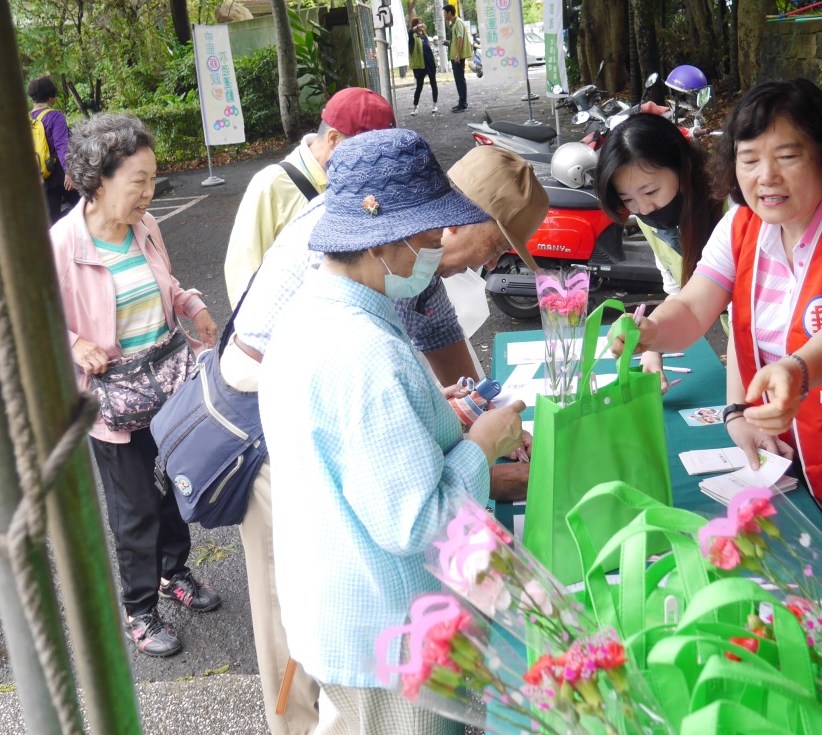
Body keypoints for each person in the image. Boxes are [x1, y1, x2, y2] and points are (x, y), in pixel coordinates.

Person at [221, 142, 548, 735]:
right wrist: (483, 444)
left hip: (341, 611)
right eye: (426, 241)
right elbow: (418, 521)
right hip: (387, 635)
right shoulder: (366, 351)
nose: (435, 252)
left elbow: (353, 445)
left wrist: (435, 412)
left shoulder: (312, 313)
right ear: (383, 243)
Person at [613, 79, 822, 558]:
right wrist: (651, 331)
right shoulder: (742, 220)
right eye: (750, 159)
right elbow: (694, 305)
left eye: (788, 156)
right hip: (793, 456)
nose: (766, 176)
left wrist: (795, 371)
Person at [52, 113, 221, 657]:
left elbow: (164, 282)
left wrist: (190, 304)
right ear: (98, 182)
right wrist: (76, 344)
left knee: (172, 485)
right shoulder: (61, 246)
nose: (150, 192)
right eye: (139, 181)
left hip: (169, 384)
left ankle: (175, 573)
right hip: (113, 402)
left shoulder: (145, 226)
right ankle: (140, 610)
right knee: (135, 509)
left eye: (153, 179)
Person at [223, 87, 395, 307]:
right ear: (334, 138)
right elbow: (243, 277)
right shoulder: (272, 185)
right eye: (368, 154)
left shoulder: (366, 183)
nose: (375, 165)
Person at [595, 112, 721, 390]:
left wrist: (655, 335)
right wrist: (653, 343)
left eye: (651, 191)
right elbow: (682, 296)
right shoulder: (649, 219)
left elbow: (700, 301)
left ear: (681, 167)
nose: (643, 209)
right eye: (628, 199)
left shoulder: (732, 211)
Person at [29, 76, 77, 225]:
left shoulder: (26, 119)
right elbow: (62, 145)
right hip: (58, 174)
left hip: (39, 176)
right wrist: (69, 172)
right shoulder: (55, 117)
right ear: (51, 97)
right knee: (84, 207)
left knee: (52, 223)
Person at [443, 4, 471, 112]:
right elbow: (456, 39)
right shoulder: (454, 23)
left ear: (450, 12)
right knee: (458, 79)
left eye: (445, 13)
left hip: (457, 56)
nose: (444, 15)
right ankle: (462, 102)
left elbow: (460, 38)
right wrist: (449, 43)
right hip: (455, 55)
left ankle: (463, 104)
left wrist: (457, 54)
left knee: (460, 79)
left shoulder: (458, 22)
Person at [408, 18, 439, 116]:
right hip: (419, 65)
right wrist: (417, 27)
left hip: (430, 63)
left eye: (422, 23)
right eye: (419, 24)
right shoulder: (412, 36)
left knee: (433, 83)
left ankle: (434, 105)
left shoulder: (425, 36)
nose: (421, 25)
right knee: (419, 87)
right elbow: (409, 31)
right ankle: (415, 107)